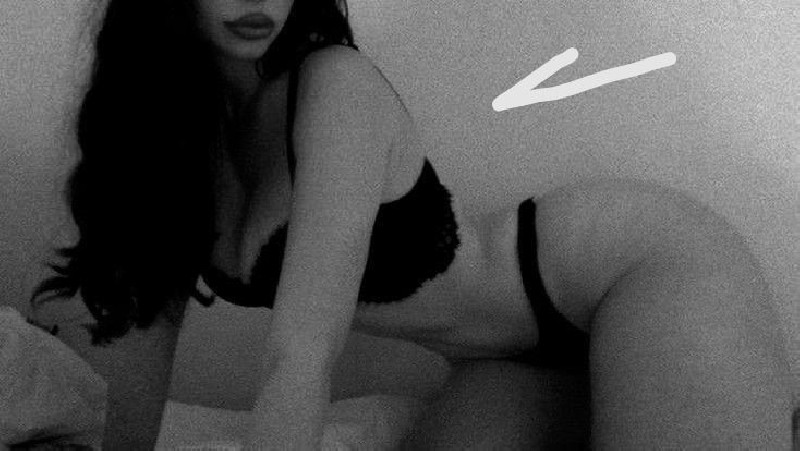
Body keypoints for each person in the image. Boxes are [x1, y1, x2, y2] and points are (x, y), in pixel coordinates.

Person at [28, 0, 795, 449]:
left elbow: (300, 356)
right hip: (514, 358)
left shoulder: (334, 87)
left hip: (636, 269)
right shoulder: (175, 147)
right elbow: (131, 350)